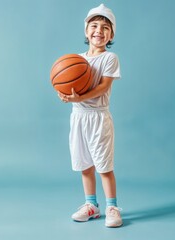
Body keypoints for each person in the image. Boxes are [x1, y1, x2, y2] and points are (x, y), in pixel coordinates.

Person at [58, 3, 123, 227]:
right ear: (86, 31)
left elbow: (104, 87)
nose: (98, 31)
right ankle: (92, 205)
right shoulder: (75, 59)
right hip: (78, 117)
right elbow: (66, 84)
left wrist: (78, 97)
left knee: (104, 166)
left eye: (105, 28)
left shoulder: (110, 58)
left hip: (98, 117)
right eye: (94, 26)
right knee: (84, 165)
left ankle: (112, 207)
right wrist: (66, 94)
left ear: (111, 34)